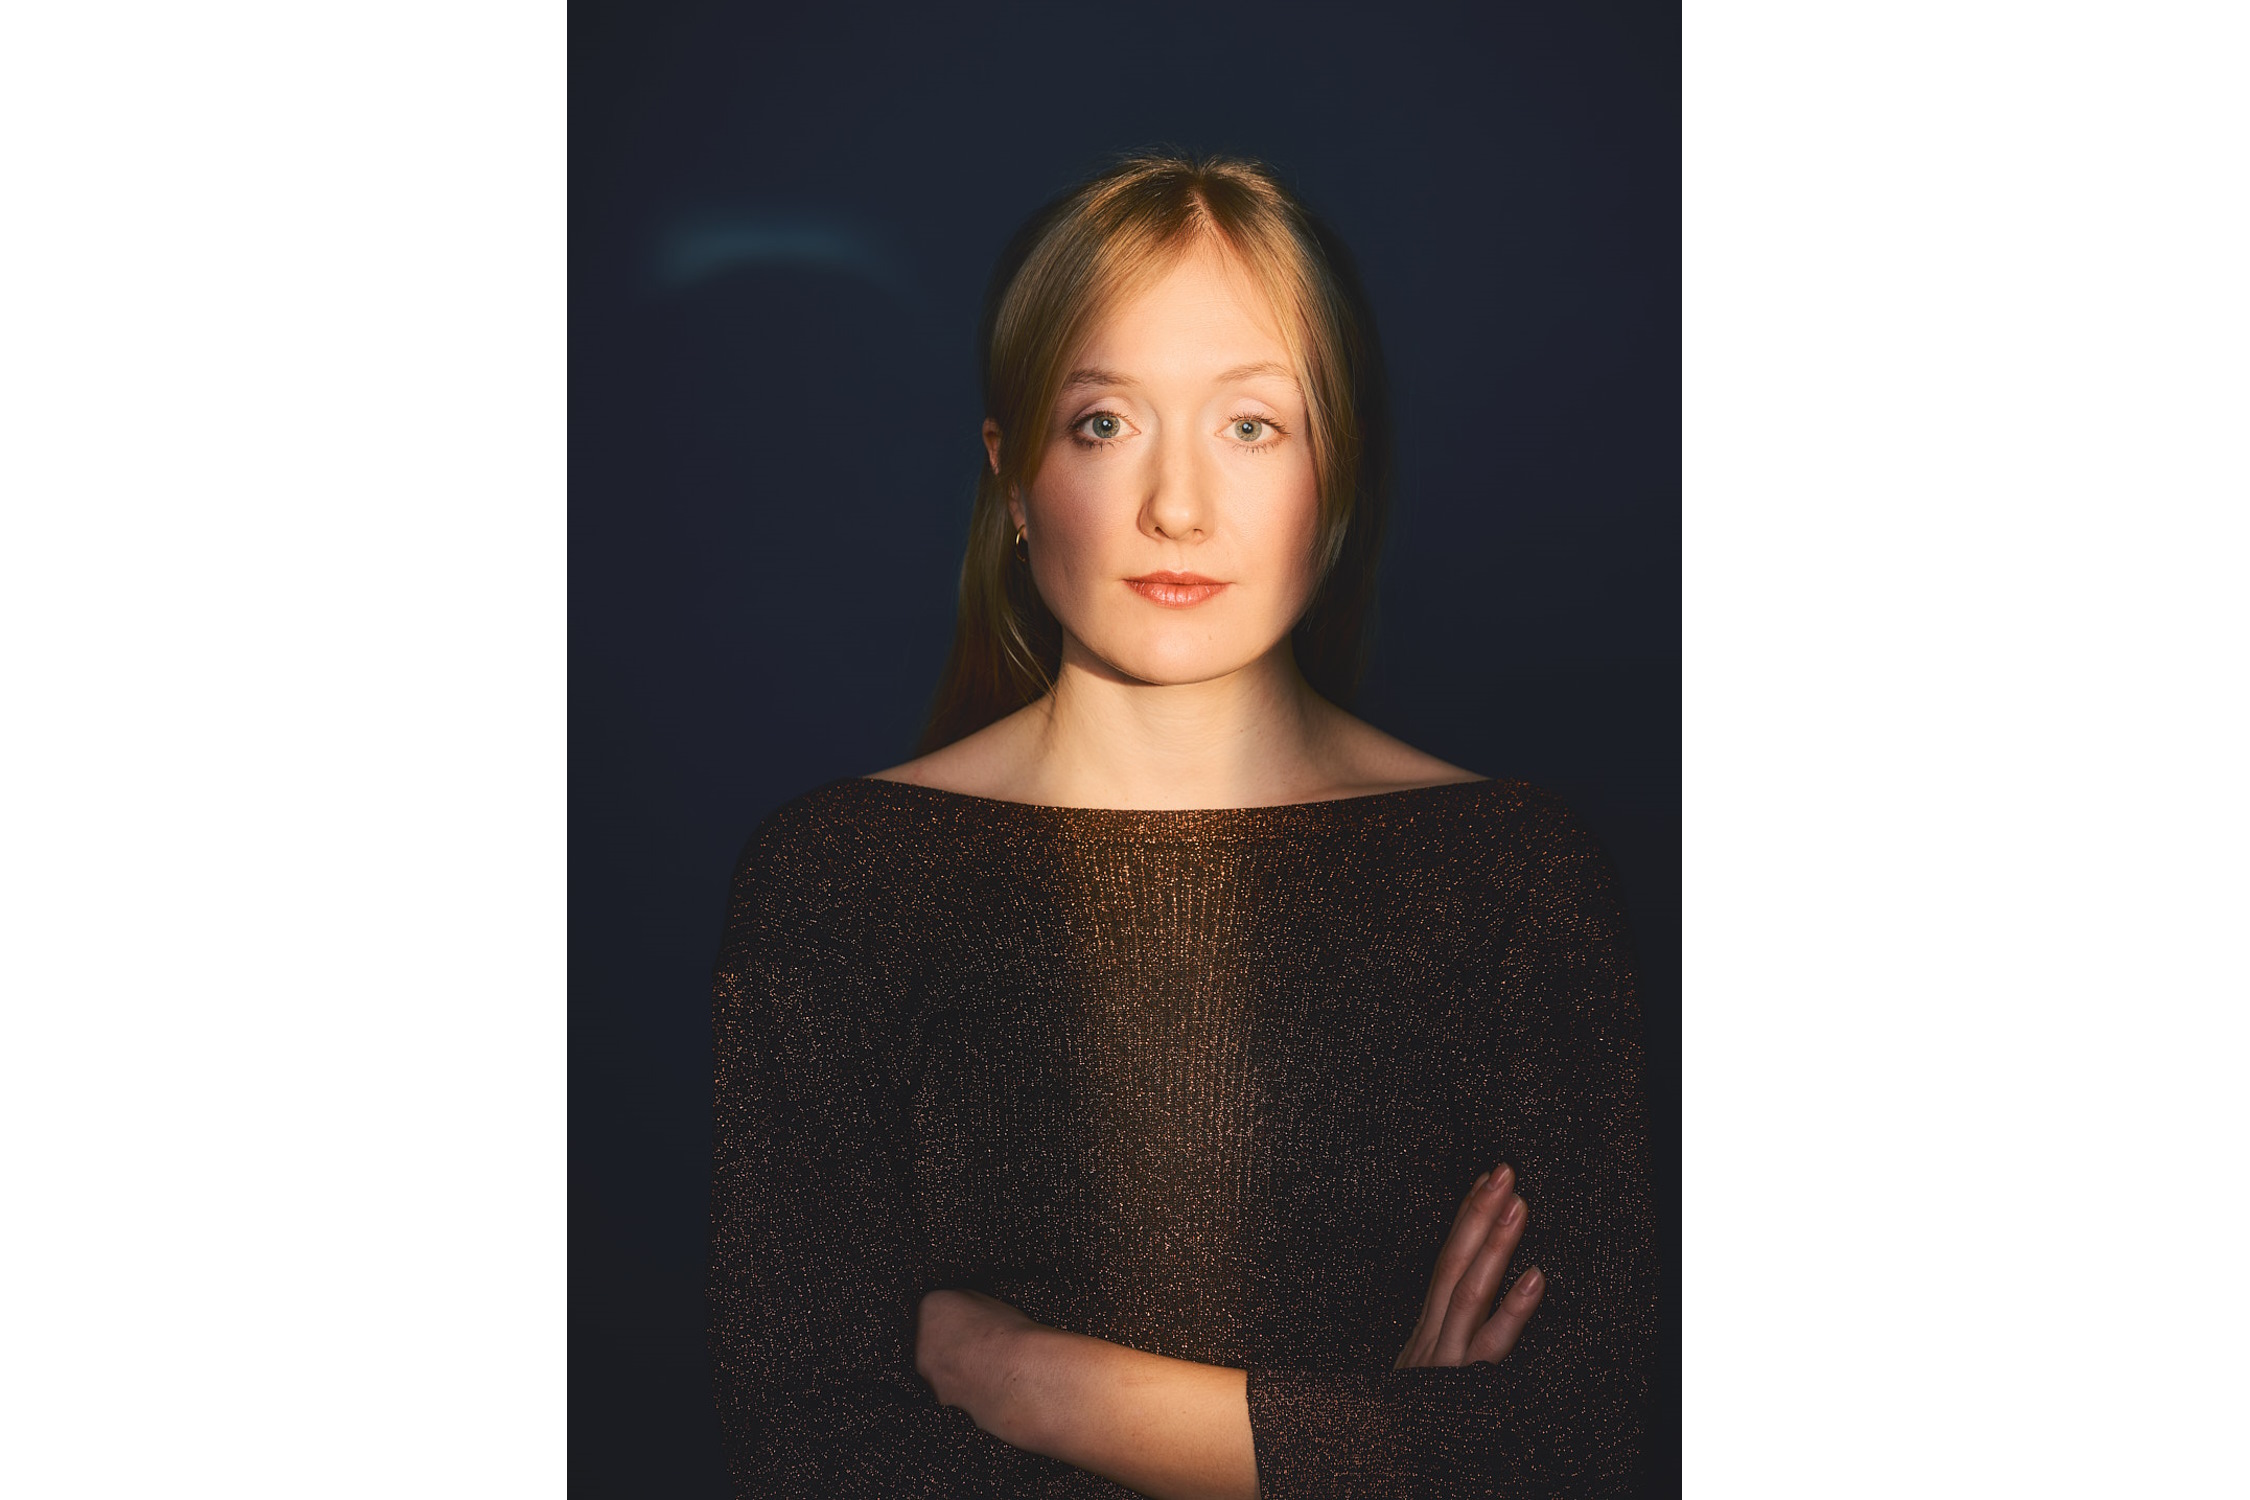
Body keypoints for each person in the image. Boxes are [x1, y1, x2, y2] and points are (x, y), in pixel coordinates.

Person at [707, 153, 1655, 1498]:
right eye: (1104, 423)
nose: (1177, 507)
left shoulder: (1513, 876)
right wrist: (1371, 1451)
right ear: (1013, 476)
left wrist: (1029, 1379)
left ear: (1338, 472)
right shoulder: (840, 882)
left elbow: (1577, 1445)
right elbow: (811, 1453)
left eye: (1251, 426)